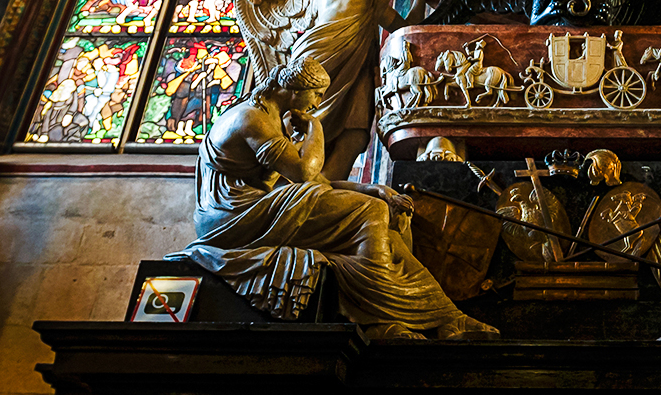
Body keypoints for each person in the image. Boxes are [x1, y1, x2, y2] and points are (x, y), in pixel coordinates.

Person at [168, 59, 497, 338]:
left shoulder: (271, 119)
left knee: (390, 233)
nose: (318, 101)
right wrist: (316, 130)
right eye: (317, 93)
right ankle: (380, 318)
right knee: (370, 214)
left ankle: (447, 319)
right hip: (232, 218)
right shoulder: (252, 119)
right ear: (296, 88)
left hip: (258, 208)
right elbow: (304, 175)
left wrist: (371, 188)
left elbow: (317, 183)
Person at [301, 0, 428, 178]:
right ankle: (293, 178)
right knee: (313, 121)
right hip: (328, 55)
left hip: (359, 66)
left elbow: (403, 28)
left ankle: (326, 189)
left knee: (356, 133)